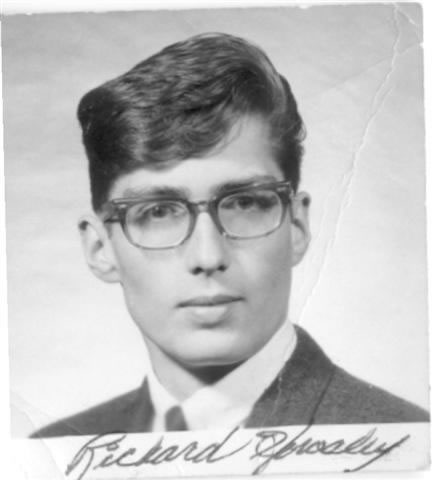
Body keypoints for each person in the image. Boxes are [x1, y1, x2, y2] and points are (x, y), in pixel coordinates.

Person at [31, 33, 428, 437]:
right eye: (159, 211)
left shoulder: (406, 439)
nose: (208, 256)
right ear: (100, 248)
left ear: (296, 226)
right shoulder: (52, 450)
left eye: (245, 204)